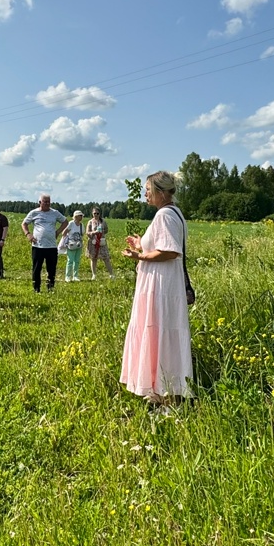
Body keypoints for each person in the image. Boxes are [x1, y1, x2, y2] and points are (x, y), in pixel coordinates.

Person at [121, 171, 193, 412]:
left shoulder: (165, 215)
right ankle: (159, 392)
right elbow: (164, 245)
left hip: (161, 287)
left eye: (148, 190)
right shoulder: (171, 214)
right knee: (158, 332)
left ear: (161, 192)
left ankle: (169, 397)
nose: (145, 194)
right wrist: (142, 242)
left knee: (160, 331)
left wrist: (138, 256)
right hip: (161, 284)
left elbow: (170, 251)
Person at [21, 194, 67, 292]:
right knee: (37, 268)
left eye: (48, 201)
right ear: (39, 202)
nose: (47, 203)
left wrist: (58, 232)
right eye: (45, 201)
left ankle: (50, 287)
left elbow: (65, 221)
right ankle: (36, 288)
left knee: (51, 269)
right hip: (38, 246)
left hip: (51, 246)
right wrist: (28, 234)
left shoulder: (55, 213)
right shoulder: (34, 213)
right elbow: (24, 224)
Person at [86, 206, 114, 278]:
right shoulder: (90, 222)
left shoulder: (103, 221)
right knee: (93, 258)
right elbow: (87, 232)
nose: (96, 215)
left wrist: (102, 232)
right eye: (94, 213)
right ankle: (94, 274)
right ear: (92, 213)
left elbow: (106, 230)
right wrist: (94, 232)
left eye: (97, 213)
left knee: (106, 258)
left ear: (100, 214)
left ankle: (111, 274)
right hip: (93, 242)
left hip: (102, 242)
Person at [60, 210, 85, 282]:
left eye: (81, 216)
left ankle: (75, 276)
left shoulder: (81, 225)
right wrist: (68, 240)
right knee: (70, 261)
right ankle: (67, 276)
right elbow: (64, 232)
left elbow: (82, 233)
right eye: (80, 215)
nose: (81, 217)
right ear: (76, 216)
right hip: (71, 245)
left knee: (77, 261)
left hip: (78, 245)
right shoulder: (71, 223)